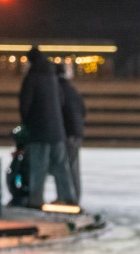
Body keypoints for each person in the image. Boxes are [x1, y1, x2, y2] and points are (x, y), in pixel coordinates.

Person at [19, 46, 76, 208]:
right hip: (57, 129)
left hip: (39, 129)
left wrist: (26, 122)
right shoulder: (52, 76)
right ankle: (67, 197)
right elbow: (61, 100)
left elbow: (25, 104)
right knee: (60, 165)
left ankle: (36, 199)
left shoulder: (31, 78)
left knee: (38, 165)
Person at [56, 65, 85, 203]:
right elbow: (83, 110)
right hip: (77, 132)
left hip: (68, 132)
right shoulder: (72, 89)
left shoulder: (58, 89)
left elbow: (58, 111)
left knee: (66, 166)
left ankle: (69, 198)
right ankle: (75, 196)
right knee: (73, 166)